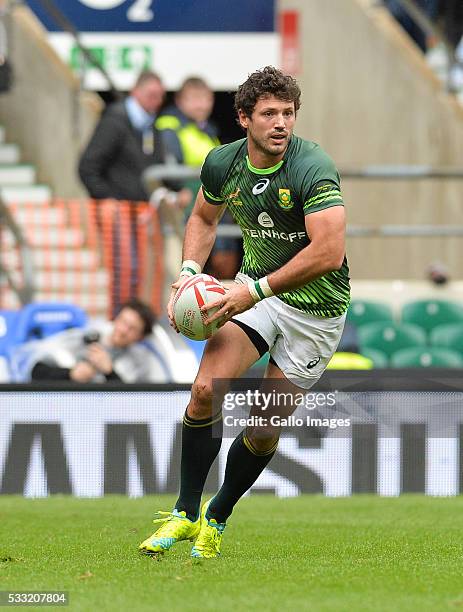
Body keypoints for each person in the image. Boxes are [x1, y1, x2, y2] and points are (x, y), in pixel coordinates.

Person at [139, 66, 350, 558]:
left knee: (262, 424)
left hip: (315, 314)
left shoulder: (312, 166)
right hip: (256, 297)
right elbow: (202, 217)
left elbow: (329, 252)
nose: (281, 123)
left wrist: (250, 291)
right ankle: (185, 513)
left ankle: (218, 515)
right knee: (205, 389)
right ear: (243, 119)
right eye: (269, 114)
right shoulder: (222, 163)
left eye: (289, 113)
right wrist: (191, 267)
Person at [78, 71, 190, 316]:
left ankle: (132, 322)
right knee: (125, 271)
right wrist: (107, 200)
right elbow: (88, 167)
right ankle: (120, 319)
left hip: (141, 215)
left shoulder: (151, 126)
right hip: (118, 214)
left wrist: (176, 189)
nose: (156, 101)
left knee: (139, 272)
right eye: (151, 95)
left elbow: (156, 167)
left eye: (160, 96)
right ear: (135, 91)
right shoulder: (115, 120)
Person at [156, 77, 242, 284]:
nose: (201, 105)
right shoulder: (168, 125)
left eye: (206, 99)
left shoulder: (208, 129)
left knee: (224, 259)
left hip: (216, 200)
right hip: (187, 203)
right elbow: (168, 165)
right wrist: (178, 189)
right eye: (194, 99)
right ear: (180, 100)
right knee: (188, 261)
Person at [29, 298, 157, 383]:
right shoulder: (89, 336)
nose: (123, 330)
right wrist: (71, 374)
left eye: (132, 328)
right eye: (123, 321)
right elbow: (37, 372)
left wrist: (109, 372)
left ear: (140, 337)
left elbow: (132, 403)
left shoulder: (139, 363)